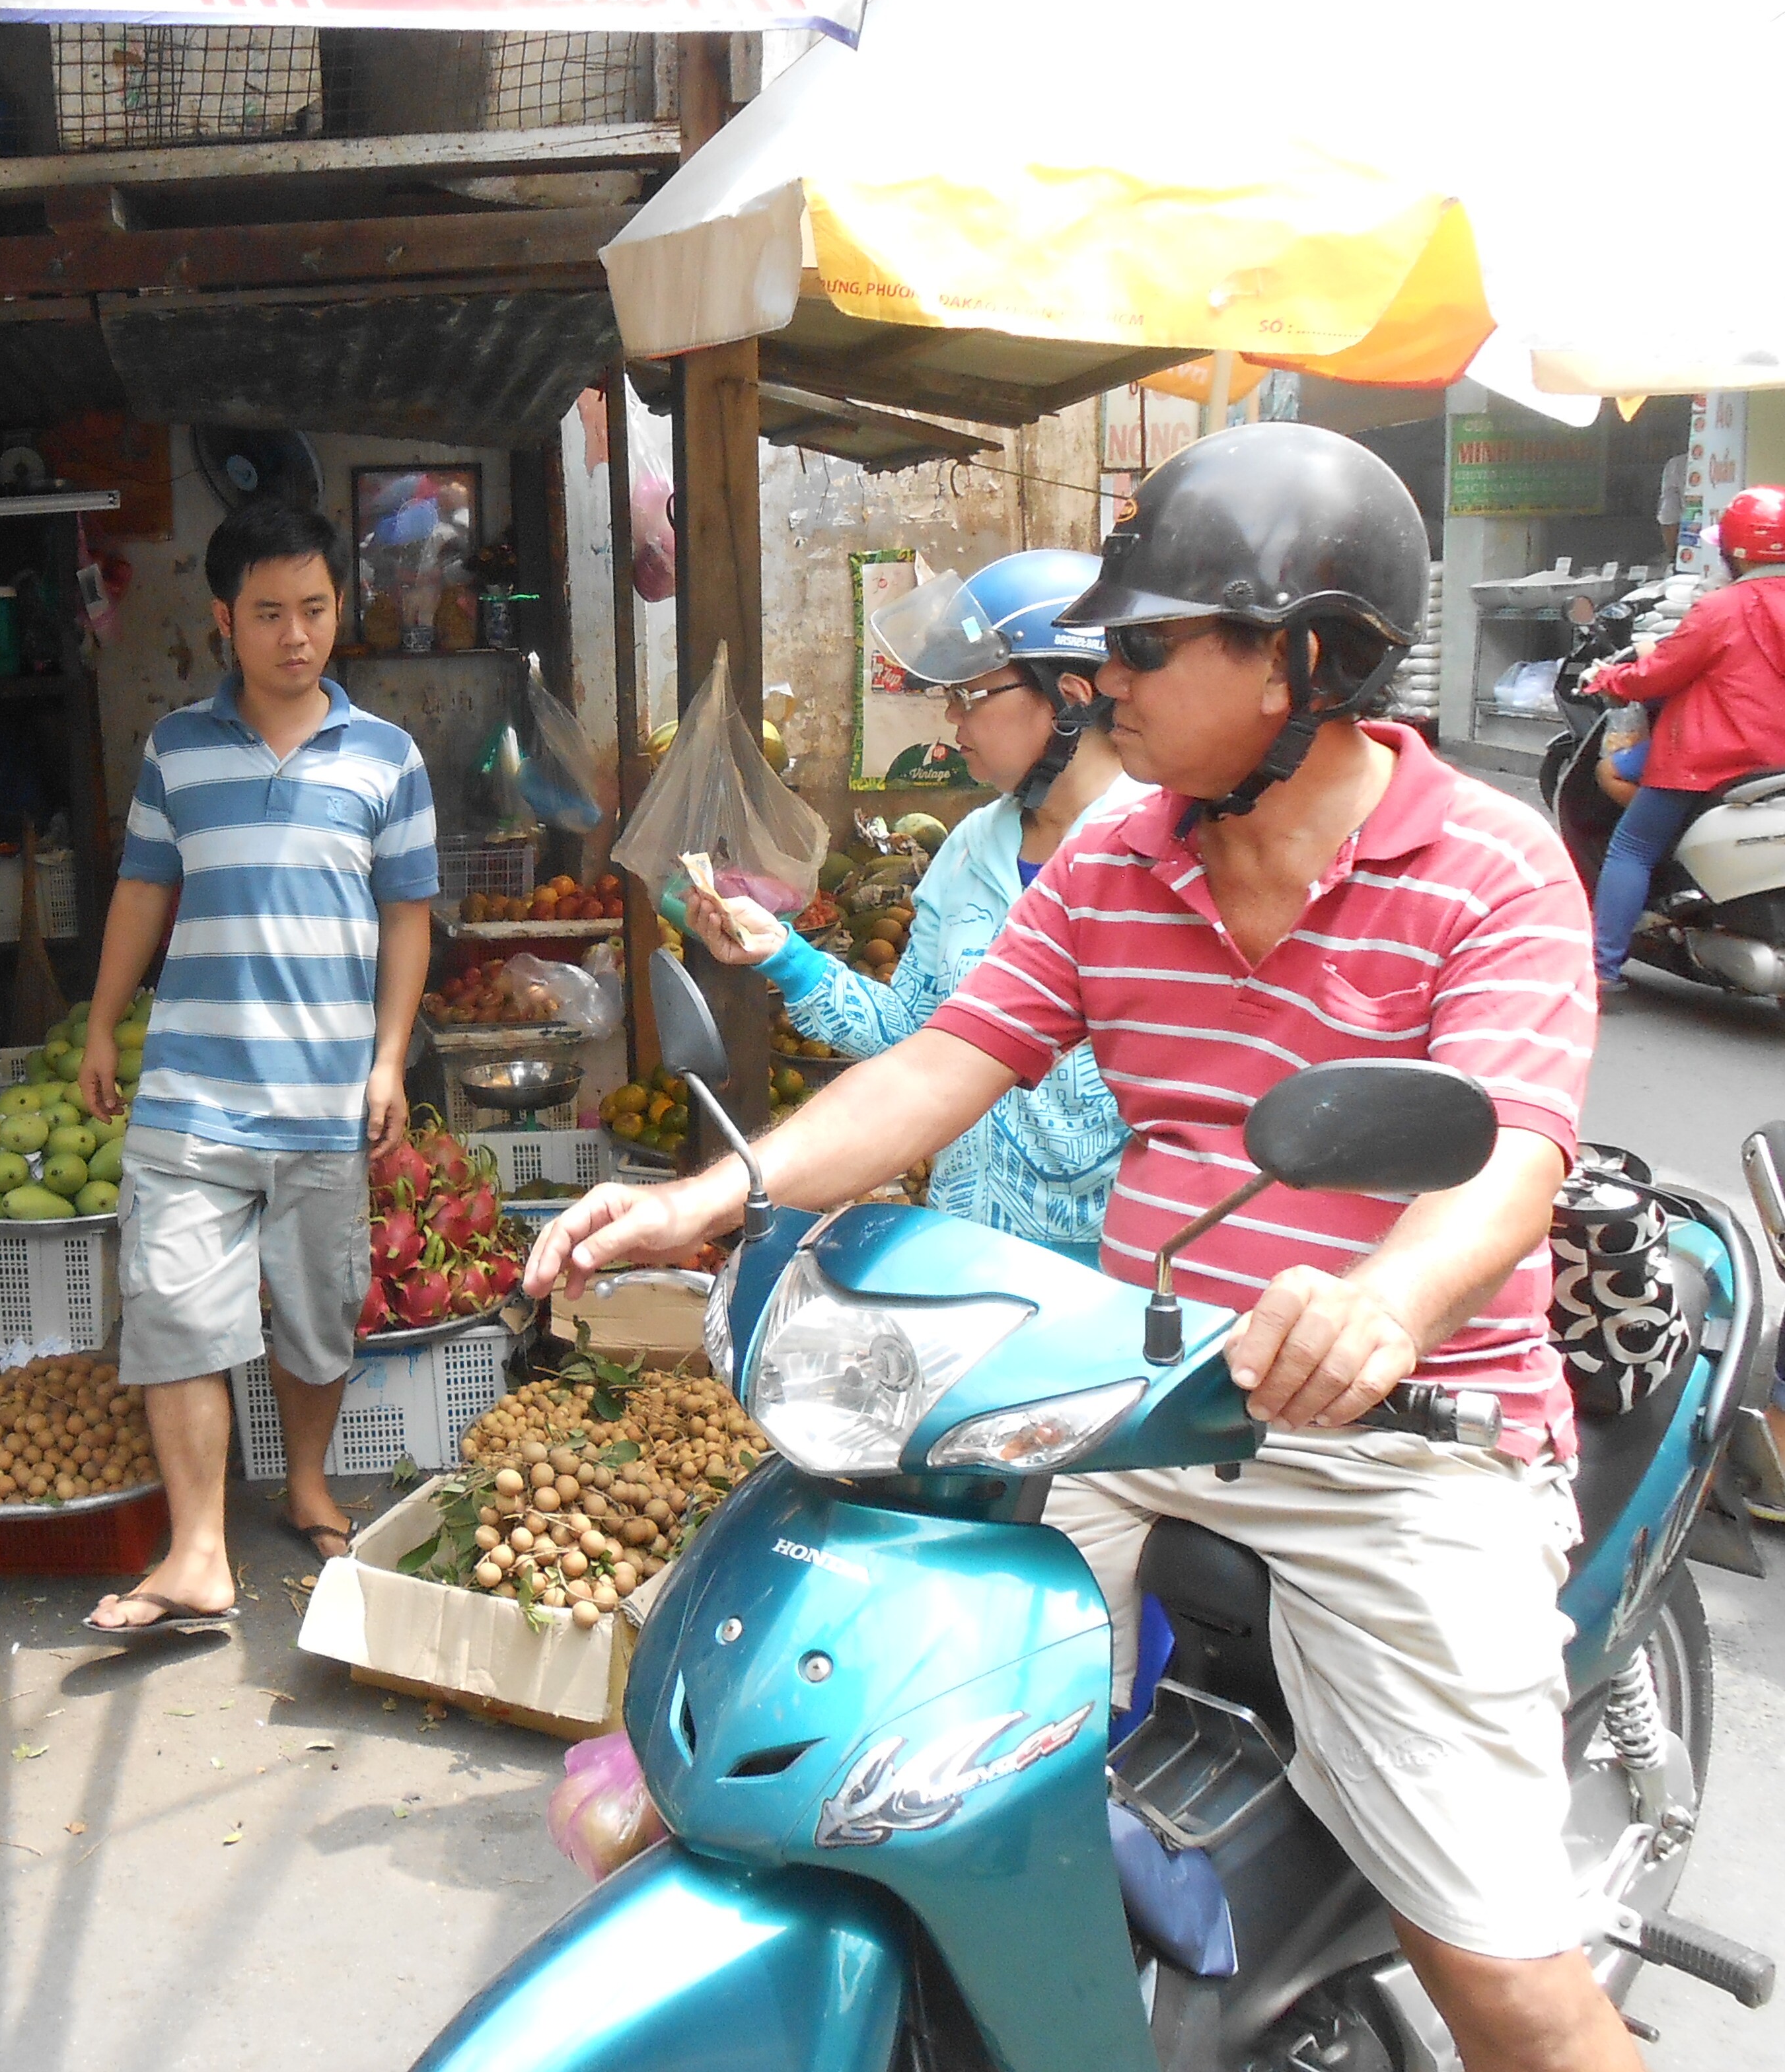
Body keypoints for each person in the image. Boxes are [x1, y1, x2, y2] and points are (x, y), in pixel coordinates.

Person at [529, 425, 1626, 2072]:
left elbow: (1512, 1155)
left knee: (1504, 1983)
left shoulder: (1487, 866)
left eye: (1148, 645)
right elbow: (943, 1061)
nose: (1108, 681)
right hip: (1126, 1399)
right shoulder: (1115, 853)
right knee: (892, 1757)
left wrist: (1383, 1303)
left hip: (1396, 1447)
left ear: (1305, 661)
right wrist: (714, 1194)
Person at [75, 499, 438, 1636]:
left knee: (318, 1317)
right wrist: (100, 1023)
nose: (296, 635)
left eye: (315, 609)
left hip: (325, 1098)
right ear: (223, 620)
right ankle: (197, 1553)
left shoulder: (387, 757)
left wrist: (388, 1061)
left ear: (339, 610)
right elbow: (143, 888)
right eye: (270, 613)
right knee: (176, 1312)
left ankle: (306, 1484)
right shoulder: (176, 749)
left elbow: (408, 918)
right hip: (191, 1096)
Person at [686, 548, 1147, 1260]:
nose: (952, 719)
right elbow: (911, 1034)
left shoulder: (1161, 853)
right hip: (965, 1256)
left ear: (1071, 698)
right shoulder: (969, 848)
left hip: (1116, 1275)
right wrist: (784, 955)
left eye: (972, 696)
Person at [1581, 483, 1785, 995]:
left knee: (1632, 848)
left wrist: (1610, 680)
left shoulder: (1721, 608)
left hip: (1712, 759)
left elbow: (1657, 675)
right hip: (1776, 762)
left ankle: (1601, 969)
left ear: (1736, 551)